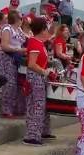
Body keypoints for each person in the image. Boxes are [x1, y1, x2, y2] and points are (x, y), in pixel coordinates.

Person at [23, 17, 55, 146]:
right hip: (35, 77)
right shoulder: (35, 43)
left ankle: (37, 132)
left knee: (39, 105)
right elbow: (31, 64)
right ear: (42, 30)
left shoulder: (38, 42)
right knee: (36, 106)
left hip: (38, 77)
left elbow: (52, 33)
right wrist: (44, 71)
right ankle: (32, 135)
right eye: (46, 28)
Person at [0, 10, 26, 118]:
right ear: (17, 19)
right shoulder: (7, 29)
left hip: (16, 59)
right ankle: (5, 110)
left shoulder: (19, 30)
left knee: (16, 85)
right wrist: (18, 49)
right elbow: (4, 46)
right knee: (9, 84)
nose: (22, 20)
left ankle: (14, 108)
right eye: (21, 18)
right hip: (7, 58)